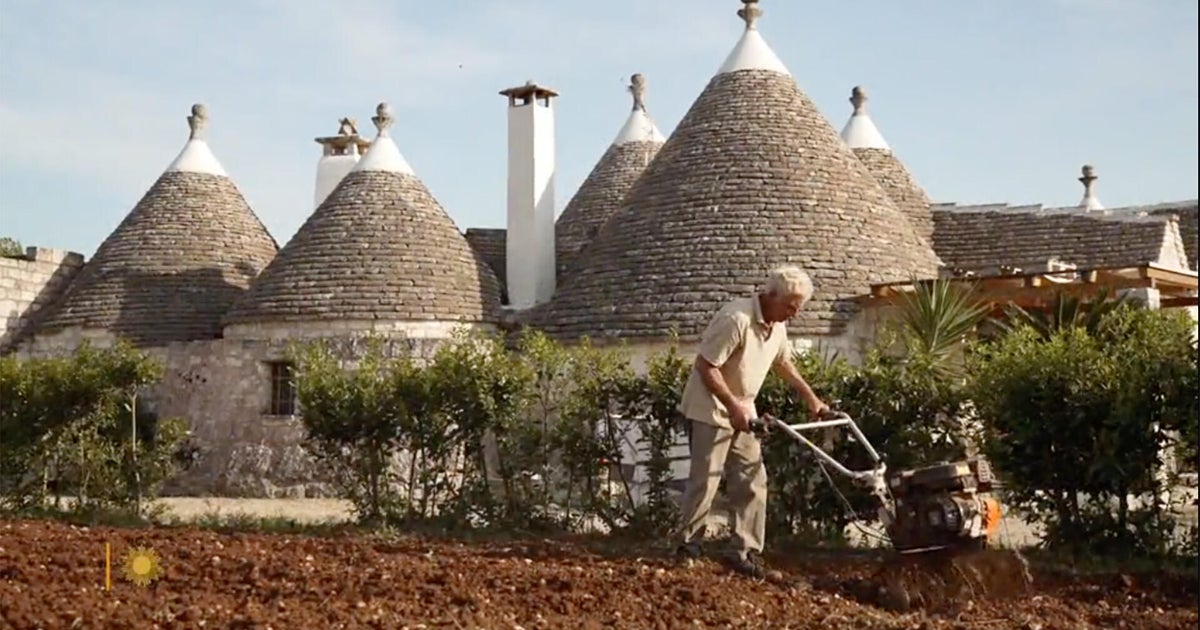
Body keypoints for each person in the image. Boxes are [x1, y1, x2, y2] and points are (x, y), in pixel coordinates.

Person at [673, 265, 829, 578]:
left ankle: (743, 551)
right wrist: (732, 406)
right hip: (710, 409)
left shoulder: (777, 324)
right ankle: (687, 548)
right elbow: (706, 366)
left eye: (797, 308)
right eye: (790, 307)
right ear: (770, 296)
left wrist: (812, 399)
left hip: (744, 408)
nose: (793, 314)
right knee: (706, 481)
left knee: (753, 480)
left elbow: (783, 363)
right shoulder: (737, 319)